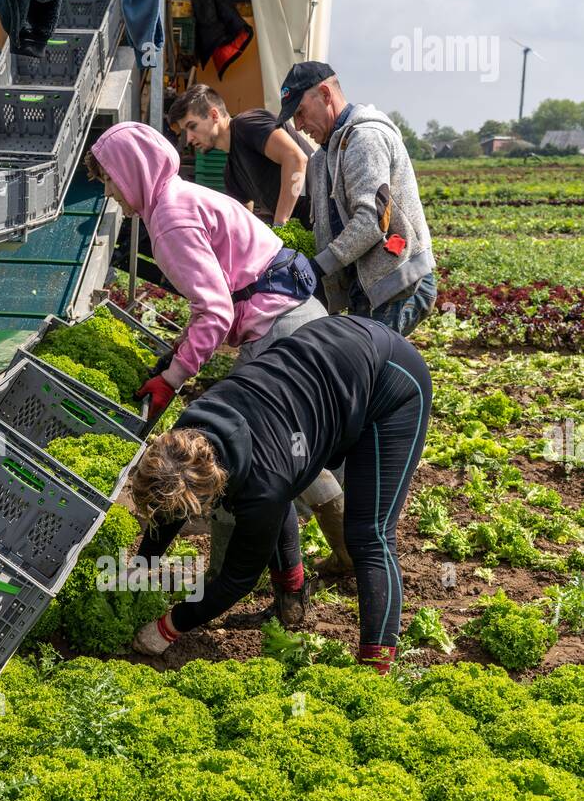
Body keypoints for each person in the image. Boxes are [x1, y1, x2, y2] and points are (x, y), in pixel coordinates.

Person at [85, 121, 349, 584]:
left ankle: (224, 585)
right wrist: (178, 356)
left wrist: (172, 378)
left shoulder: (169, 220)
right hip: (295, 314)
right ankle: (343, 551)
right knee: (287, 450)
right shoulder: (179, 195)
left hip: (279, 329)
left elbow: (214, 310)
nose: (109, 192)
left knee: (243, 463)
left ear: (132, 171)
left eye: (109, 179)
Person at [129, 315, 433, 672]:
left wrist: (168, 627)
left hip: (393, 379)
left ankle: (376, 671)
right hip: (332, 355)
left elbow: (237, 579)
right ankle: (292, 599)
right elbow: (169, 505)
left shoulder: (263, 483)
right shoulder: (185, 437)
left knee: (370, 535)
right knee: (277, 492)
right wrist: (140, 568)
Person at [277, 62, 437, 337]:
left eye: (300, 113)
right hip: (365, 287)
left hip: (397, 283)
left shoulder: (365, 138)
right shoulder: (321, 159)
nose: (299, 126)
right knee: (363, 369)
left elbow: (372, 220)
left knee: (367, 367)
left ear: (326, 95)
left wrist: (317, 267)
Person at [168, 83, 312, 229]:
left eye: (192, 127)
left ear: (214, 115)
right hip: (309, 233)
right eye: (185, 131)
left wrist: (280, 224)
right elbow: (244, 223)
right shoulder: (231, 174)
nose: (189, 139)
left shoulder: (249, 124)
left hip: (329, 214)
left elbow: (296, 159)